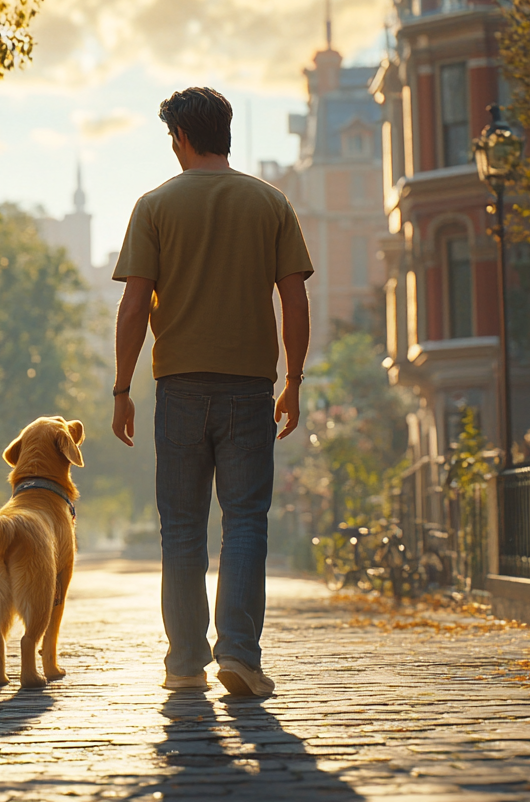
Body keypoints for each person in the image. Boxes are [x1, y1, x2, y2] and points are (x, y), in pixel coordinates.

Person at [110, 86, 312, 697]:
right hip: (250, 387)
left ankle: (184, 662)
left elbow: (133, 306)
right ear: (225, 132)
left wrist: (122, 389)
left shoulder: (154, 205)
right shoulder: (271, 203)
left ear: (180, 138)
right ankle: (241, 656)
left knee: (181, 527)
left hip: (178, 388)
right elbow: (295, 301)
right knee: (246, 521)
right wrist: (294, 381)